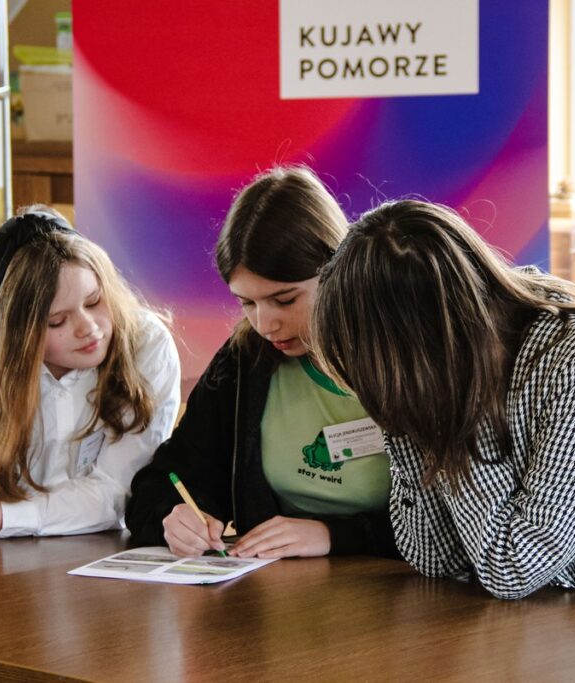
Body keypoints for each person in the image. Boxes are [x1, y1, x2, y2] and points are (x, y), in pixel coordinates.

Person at [311, 199, 575, 612]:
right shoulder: (452, 374)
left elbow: (510, 568)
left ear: (421, 349)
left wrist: (453, 416)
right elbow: (435, 560)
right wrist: (403, 421)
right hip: (553, 629)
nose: (371, 386)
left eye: (377, 366)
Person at [127, 167, 398, 560]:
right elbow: (164, 479)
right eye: (246, 303)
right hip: (274, 594)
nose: (264, 325)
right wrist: (174, 515)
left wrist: (333, 535)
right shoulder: (244, 359)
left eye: (285, 300)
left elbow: (454, 520)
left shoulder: (404, 358)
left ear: (338, 271)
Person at [0, 206, 181, 548]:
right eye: (57, 321)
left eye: (95, 301)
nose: (89, 327)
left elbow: (116, 493)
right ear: (12, 335)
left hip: (103, 560)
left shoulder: (144, 345)